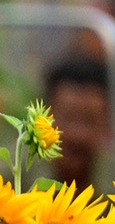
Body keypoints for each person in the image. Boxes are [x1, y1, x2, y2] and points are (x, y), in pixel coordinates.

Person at [45, 54, 111, 190]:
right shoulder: (5, 180)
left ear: (108, 126)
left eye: (89, 121)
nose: (77, 135)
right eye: (68, 118)